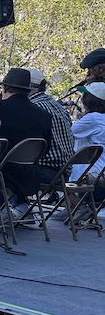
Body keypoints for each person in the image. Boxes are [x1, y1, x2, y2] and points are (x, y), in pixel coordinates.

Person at [0, 68, 52, 213]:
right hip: (31, 174)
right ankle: (19, 207)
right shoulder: (44, 115)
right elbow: (45, 148)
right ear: (27, 91)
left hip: (1, 174)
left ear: (5, 87)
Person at [26, 68, 76, 186]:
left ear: (29, 87)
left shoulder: (34, 107)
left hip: (46, 171)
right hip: (65, 171)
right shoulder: (56, 105)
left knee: (7, 170)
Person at [67, 82, 105, 218]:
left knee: (58, 177)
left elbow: (68, 133)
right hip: (101, 168)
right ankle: (73, 209)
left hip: (92, 170)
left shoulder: (93, 118)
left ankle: (80, 207)